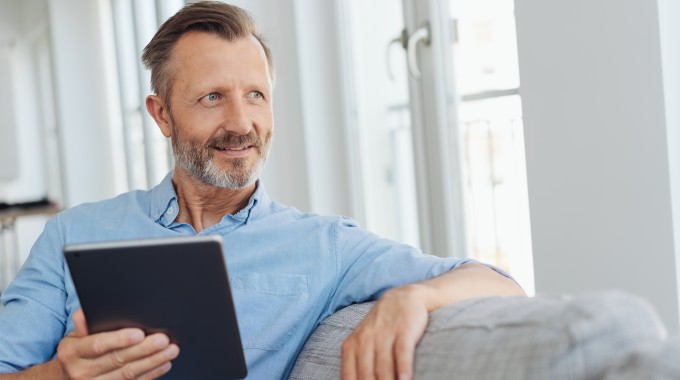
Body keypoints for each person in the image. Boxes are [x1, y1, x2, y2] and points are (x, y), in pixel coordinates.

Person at [0, 2, 524, 379]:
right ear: (161, 115)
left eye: (255, 95)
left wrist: (415, 296)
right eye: (212, 97)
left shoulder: (325, 246)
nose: (241, 122)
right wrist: (60, 377)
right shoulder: (74, 232)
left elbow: (500, 284)